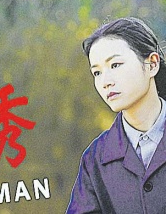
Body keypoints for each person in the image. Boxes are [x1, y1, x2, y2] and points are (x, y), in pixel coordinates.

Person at [68, 17, 166, 213]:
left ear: (152, 64)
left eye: (115, 65)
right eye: (97, 73)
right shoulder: (95, 159)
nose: (106, 82)